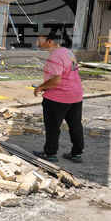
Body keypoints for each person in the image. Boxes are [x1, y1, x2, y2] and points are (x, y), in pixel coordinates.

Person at [32, 28, 84, 163]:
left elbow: (56, 80)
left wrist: (40, 87)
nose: (37, 41)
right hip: (76, 95)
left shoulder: (54, 56)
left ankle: (50, 153)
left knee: (52, 127)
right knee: (75, 125)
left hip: (58, 98)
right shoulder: (68, 52)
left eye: (40, 39)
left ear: (49, 41)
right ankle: (77, 153)